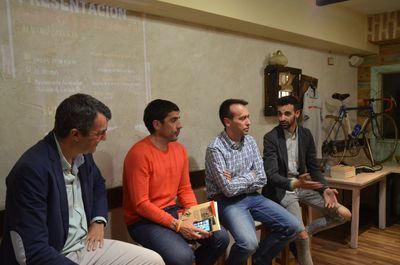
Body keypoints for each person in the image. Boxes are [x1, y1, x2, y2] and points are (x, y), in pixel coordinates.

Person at [0, 93, 164, 265]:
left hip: (83, 246)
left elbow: (98, 185)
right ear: (75, 134)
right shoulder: (31, 170)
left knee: (153, 260)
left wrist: (98, 220)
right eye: (100, 133)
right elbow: (32, 252)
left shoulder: (83, 154)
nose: (105, 138)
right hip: (55, 254)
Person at [123, 99, 229, 265]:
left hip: (172, 210)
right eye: (173, 120)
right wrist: (178, 225)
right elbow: (141, 204)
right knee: (183, 256)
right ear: (157, 124)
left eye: (178, 119)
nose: (180, 125)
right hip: (142, 220)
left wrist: (194, 215)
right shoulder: (138, 154)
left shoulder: (179, 149)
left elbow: (185, 189)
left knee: (220, 237)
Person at [205, 99, 301, 265]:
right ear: (227, 122)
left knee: (294, 226)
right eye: (242, 118)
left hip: (252, 197)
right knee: (249, 243)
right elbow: (227, 190)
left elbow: (262, 177)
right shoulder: (215, 148)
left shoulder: (250, 141)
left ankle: (260, 259)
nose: (248, 122)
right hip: (226, 201)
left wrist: (237, 179)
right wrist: (250, 176)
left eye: (248, 117)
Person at [262, 95, 352, 265]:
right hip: (283, 189)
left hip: (303, 186)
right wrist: (294, 183)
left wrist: (325, 189)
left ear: (297, 113)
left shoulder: (306, 134)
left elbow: (313, 168)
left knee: (344, 215)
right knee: (301, 237)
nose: (282, 118)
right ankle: (302, 234)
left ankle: (306, 230)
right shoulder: (271, 138)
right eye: (279, 114)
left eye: (287, 113)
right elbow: (271, 175)